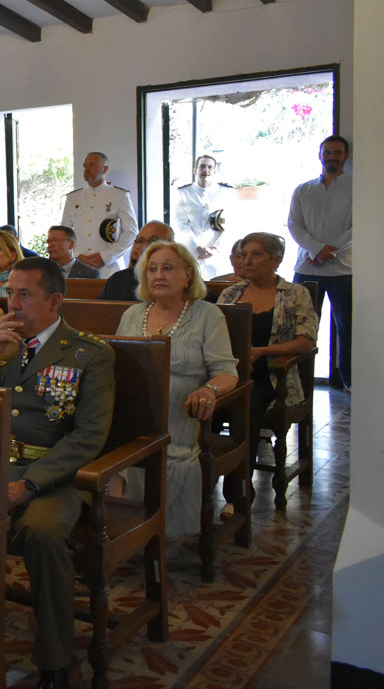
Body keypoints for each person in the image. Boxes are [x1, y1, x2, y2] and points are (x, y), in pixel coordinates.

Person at [0, 258, 115, 689]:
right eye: (10, 293)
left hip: (54, 477)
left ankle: (55, 660)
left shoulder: (89, 353)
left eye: (25, 295)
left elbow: (88, 438)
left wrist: (31, 482)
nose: (12, 304)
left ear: (55, 301)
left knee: (42, 534)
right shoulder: (3, 345)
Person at [114, 241, 238, 537]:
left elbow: (226, 373)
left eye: (168, 268)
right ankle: (119, 529)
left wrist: (208, 391)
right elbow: (113, 363)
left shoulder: (208, 315)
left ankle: (155, 533)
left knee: (175, 459)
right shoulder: (133, 314)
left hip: (180, 414)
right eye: (152, 269)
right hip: (132, 413)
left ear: (188, 276)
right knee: (104, 451)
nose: (158, 275)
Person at [217, 232, 317, 470]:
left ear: (276, 260)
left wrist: (262, 351)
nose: (247, 261)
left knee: (245, 405)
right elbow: (213, 335)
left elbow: (306, 341)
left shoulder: (294, 293)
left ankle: (238, 494)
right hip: (230, 373)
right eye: (243, 255)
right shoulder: (230, 293)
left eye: (256, 254)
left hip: (272, 378)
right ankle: (200, 481)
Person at [288, 134, 352, 389]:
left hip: (343, 270)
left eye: (337, 152)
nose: (332, 157)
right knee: (300, 328)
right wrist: (315, 250)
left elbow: (358, 227)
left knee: (347, 329)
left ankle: (349, 383)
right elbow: (295, 225)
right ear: (320, 155)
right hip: (307, 268)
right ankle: (299, 384)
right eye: (327, 152)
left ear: (345, 156)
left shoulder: (357, 187)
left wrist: (330, 252)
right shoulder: (304, 189)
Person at [61, 151, 137, 278]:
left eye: (92, 165)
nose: (87, 169)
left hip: (109, 268)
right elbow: (65, 233)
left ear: (105, 169)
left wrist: (106, 256)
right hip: (79, 267)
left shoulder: (119, 196)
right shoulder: (73, 198)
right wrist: (79, 255)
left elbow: (131, 232)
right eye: (85, 166)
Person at [174, 155, 235, 279]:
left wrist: (215, 248)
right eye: (202, 166)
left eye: (209, 167)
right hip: (191, 254)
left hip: (217, 256)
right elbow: (180, 225)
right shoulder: (183, 193)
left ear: (214, 171)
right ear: (195, 170)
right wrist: (196, 247)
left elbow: (233, 225)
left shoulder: (226, 193)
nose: (206, 170)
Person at [99, 221, 173, 301]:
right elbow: (100, 311)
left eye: (154, 241)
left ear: (171, 246)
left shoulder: (176, 279)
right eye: (140, 241)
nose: (145, 247)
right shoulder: (118, 280)